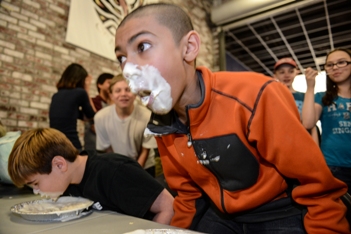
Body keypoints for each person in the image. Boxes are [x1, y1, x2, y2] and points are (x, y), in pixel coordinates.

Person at [114, 3, 349, 233]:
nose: (128, 71)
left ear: (189, 47)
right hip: (220, 215)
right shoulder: (161, 124)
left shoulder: (257, 94)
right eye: (121, 58)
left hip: (279, 212)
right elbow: (187, 194)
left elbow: (316, 186)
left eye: (143, 46)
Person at [7, 128, 174, 224]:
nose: (36, 191)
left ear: (59, 164)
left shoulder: (115, 171)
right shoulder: (67, 183)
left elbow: (168, 206)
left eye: (35, 183)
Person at [302, 48, 351, 220]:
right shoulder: (323, 97)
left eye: (341, 62)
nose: (336, 67)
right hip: (334, 167)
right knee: (339, 219)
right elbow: (307, 122)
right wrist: (310, 87)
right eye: (330, 65)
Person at [94, 74, 157, 176]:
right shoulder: (100, 117)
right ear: (111, 95)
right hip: (116, 165)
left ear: (135, 93)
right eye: (118, 91)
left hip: (144, 166)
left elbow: (145, 150)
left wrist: (133, 173)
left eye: (128, 90)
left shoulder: (147, 116)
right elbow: (108, 151)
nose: (123, 94)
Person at [273, 57, 320, 145]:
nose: (287, 75)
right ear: (275, 75)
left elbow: (312, 126)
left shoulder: (306, 97)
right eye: (282, 72)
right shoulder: (272, 97)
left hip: (303, 141)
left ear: (296, 72)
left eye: (291, 71)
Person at [49, 63, 96, 151]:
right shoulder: (80, 92)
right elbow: (91, 115)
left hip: (54, 144)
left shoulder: (56, 95)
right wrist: (87, 88)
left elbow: (83, 117)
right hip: (70, 144)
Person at [84, 73, 114, 151]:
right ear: (100, 85)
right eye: (109, 83)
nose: (112, 86)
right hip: (94, 147)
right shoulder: (93, 101)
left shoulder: (114, 104)